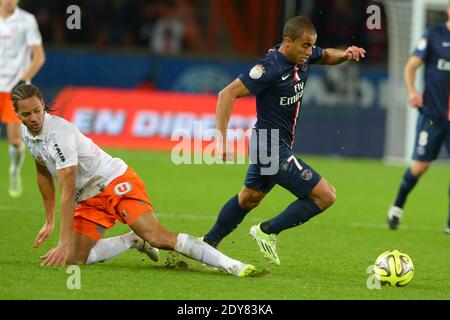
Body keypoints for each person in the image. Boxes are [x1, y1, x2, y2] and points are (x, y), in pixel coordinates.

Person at [12, 84, 256, 277]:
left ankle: (232, 265)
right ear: (17, 115)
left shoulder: (59, 136)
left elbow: (66, 190)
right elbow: (43, 172)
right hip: (86, 198)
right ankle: (132, 240)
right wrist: (49, 221)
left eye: (37, 110)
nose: (34, 117)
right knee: (75, 258)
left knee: (158, 237)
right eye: (26, 114)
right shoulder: (27, 133)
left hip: (113, 181)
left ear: (43, 104)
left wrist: (63, 241)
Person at [202, 16, 366, 265]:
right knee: (325, 195)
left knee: (249, 198)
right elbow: (227, 93)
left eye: (312, 46)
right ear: (287, 42)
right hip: (269, 146)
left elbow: (326, 56)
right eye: (305, 46)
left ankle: (207, 244)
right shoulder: (270, 68)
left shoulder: (302, 55)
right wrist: (222, 140)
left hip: (274, 145)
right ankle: (266, 231)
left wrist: (345, 55)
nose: (310, 52)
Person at [387, 6, 450, 234]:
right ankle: (397, 206)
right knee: (420, 167)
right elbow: (411, 66)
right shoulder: (433, 35)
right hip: (433, 115)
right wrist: (413, 91)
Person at [0, 0, 45, 198]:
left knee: (15, 140)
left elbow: (39, 57)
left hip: (13, 89)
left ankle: (14, 171)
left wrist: (22, 80)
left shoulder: (26, 21)